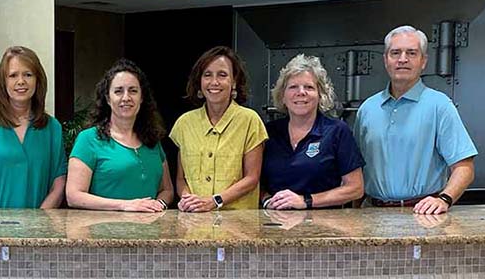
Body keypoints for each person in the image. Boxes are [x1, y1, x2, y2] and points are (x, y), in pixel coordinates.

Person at [354, 25, 477, 214]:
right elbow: (356, 169)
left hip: (423, 215)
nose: (402, 59)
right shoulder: (367, 109)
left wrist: (444, 199)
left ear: (423, 61)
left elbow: (464, 167)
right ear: (386, 60)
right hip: (371, 213)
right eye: (395, 53)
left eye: (411, 53)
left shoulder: (439, 106)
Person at [0, 46, 66, 208]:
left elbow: (58, 184)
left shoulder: (52, 128)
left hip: (40, 222)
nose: (21, 81)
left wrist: (42, 220)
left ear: (38, 80)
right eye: (13, 75)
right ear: (3, 81)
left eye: (28, 74)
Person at [66, 59, 173, 212]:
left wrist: (159, 205)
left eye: (133, 91)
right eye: (118, 91)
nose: (126, 97)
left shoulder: (152, 140)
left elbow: (167, 190)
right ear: (108, 99)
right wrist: (125, 205)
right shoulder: (88, 139)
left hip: (151, 226)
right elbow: (74, 196)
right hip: (105, 226)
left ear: (142, 98)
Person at [170, 46, 267, 212]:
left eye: (222, 75)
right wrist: (188, 199)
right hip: (195, 221)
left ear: (234, 81)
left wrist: (214, 201)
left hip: (239, 222)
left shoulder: (250, 120)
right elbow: (181, 179)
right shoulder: (184, 123)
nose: (214, 82)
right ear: (199, 81)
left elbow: (252, 178)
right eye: (207, 75)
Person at [261, 54, 364, 210]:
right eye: (293, 87)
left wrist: (306, 201)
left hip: (324, 221)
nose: (301, 92)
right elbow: (253, 180)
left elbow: (355, 188)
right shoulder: (268, 132)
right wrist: (267, 200)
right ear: (282, 96)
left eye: (309, 87)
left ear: (321, 95)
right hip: (275, 220)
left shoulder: (337, 131)